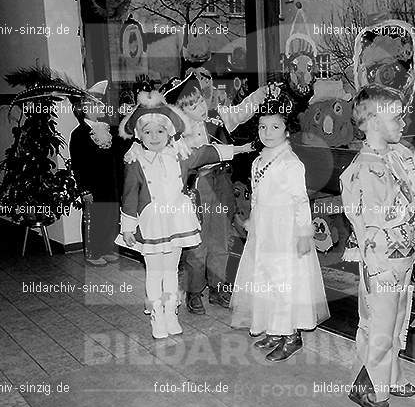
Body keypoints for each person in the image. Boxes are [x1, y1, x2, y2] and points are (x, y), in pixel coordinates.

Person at [340, 85, 415, 407]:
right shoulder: (361, 169)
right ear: (374, 122)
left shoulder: (398, 153)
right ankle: (374, 387)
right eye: (396, 117)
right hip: (381, 260)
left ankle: (388, 376)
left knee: (395, 319)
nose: (404, 122)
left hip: (403, 255)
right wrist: (376, 265)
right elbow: (365, 220)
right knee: (378, 322)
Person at [115, 90, 253, 338]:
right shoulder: (136, 161)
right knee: (155, 270)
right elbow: (130, 196)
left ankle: (171, 312)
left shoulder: (180, 154)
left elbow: (208, 153)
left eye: (160, 131)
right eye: (147, 132)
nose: (154, 137)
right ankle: (157, 314)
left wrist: (242, 148)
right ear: (139, 135)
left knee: (170, 269)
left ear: (169, 132)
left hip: (177, 220)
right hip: (152, 222)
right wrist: (127, 227)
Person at [230, 86, 330, 362]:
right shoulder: (259, 160)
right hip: (264, 230)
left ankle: (290, 335)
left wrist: (303, 233)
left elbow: (300, 201)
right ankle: (273, 329)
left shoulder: (290, 163)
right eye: (262, 127)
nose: (267, 132)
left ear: (287, 131)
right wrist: (252, 218)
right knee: (265, 278)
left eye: (275, 126)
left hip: (285, 231)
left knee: (283, 281)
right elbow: (258, 197)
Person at [162, 72, 268, 314]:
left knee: (221, 240)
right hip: (198, 188)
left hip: (221, 182)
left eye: (199, 100)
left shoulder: (217, 117)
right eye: (191, 105)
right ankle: (194, 291)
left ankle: (218, 288)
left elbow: (243, 110)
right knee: (197, 244)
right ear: (180, 111)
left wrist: (260, 94)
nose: (199, 106)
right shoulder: (177, 135)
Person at [69, 82, 120, 266]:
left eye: (101, 103)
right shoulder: (79, 134)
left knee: (109, 217)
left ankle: (106, 248)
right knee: (94, 218)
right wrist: (84, 189)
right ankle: (92, 252)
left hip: (109, 183)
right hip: (93, 186)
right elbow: (78, 165)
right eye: (97, 104)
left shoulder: (106, 129)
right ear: (84, 108)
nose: (101, 107)